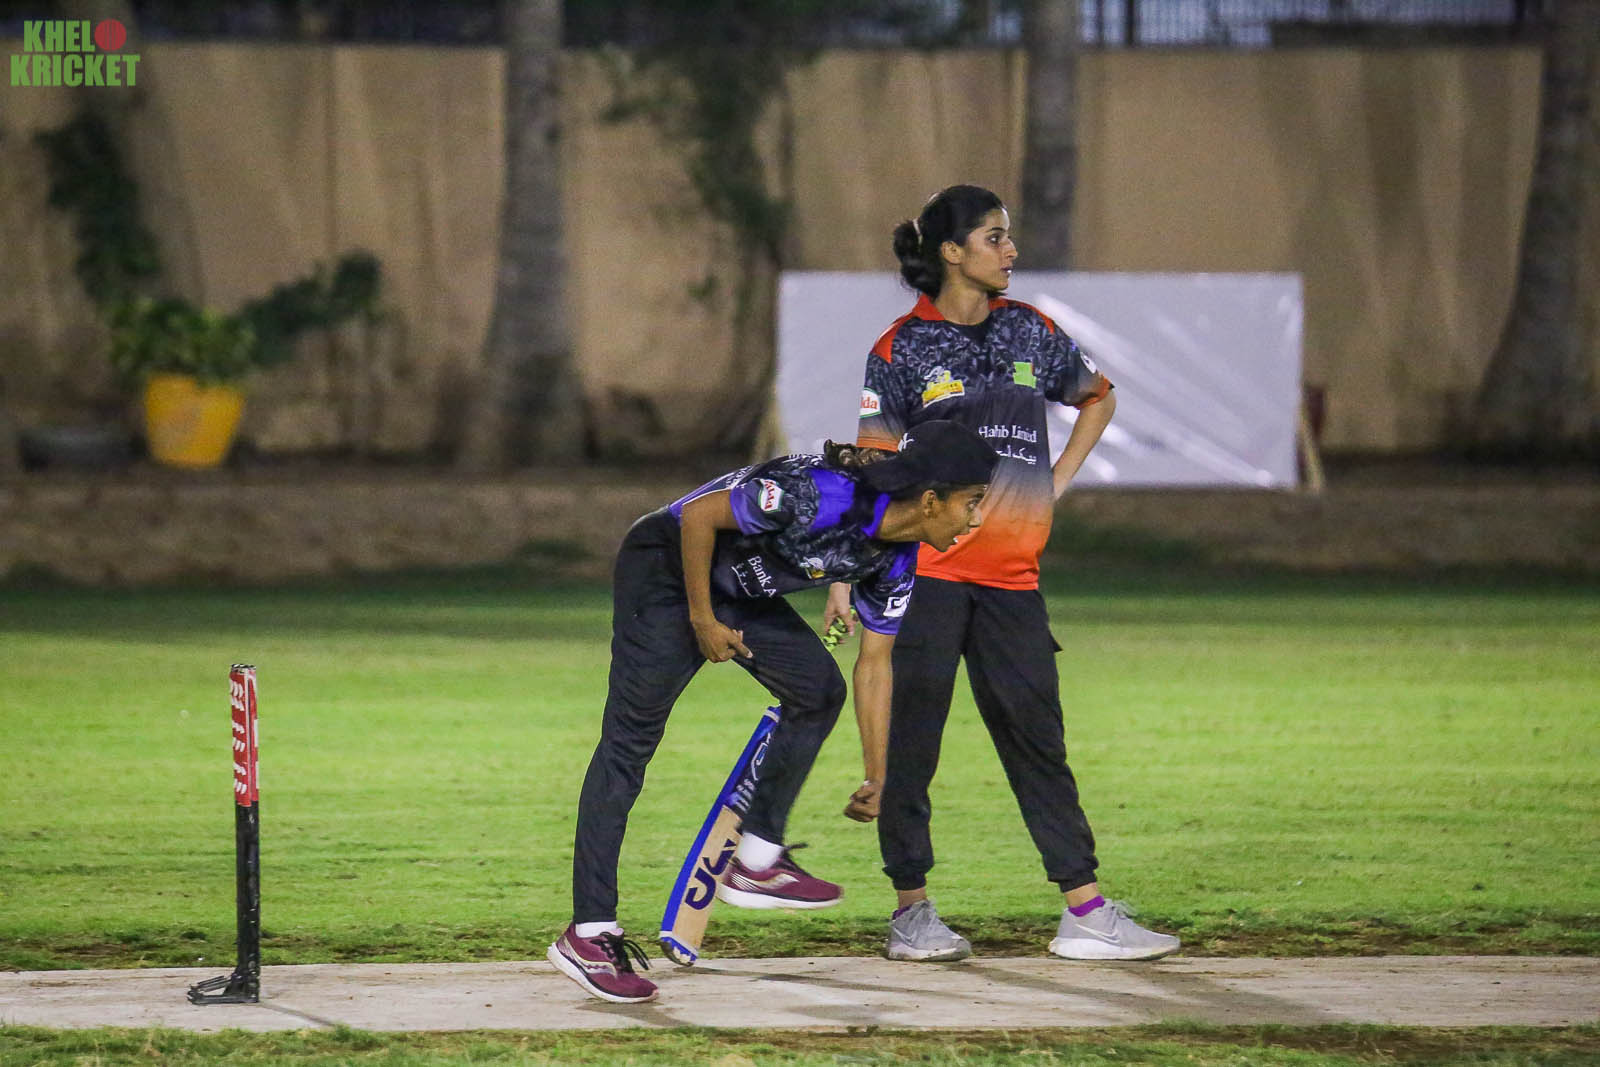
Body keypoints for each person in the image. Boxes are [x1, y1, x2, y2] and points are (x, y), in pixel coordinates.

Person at [826, 184, 1180, 964]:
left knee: (1037, 742)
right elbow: (874, 471)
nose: (1010, 250)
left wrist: (1057, 479)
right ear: (952, 252)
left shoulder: (1030, 329)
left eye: (1009, 236)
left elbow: (1097, 398)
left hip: (1013, 578)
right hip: (925, 575)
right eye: (994, 237)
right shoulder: (899, 349)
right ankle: (912, 913)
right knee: (912, 747)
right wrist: (845, 574)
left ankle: (1085, 912)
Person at [549, 419, 1000, 1004]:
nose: (976, 519)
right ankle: (589, 934)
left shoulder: (895, 558)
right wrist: (703, 620)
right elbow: (698, 517)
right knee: (628, 747)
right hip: (665, 568)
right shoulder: (824, 493)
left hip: (740, 591)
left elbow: (874, 664)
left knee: (818, 689)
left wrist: (876, 774)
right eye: (973, 501)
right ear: (932, 499)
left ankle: (756, 860)